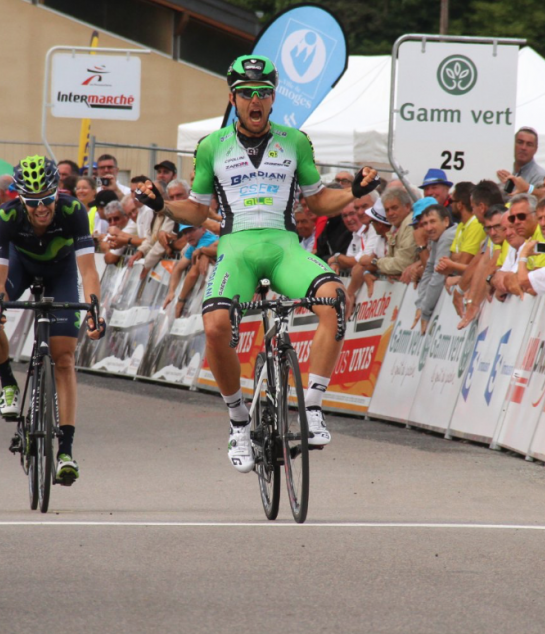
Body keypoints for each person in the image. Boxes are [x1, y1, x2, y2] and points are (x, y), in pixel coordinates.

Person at [134, 54, 379, 472]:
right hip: (237, 251)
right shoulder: (211, 146)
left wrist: (354, 190)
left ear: (272, 98)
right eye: (247, 93)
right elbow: (197, 210)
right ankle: (237, 421)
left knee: (335, 300)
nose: (256, 100)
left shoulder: (295, 140)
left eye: (264, 93)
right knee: (214, 325)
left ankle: (313, 407)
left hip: (285, 248)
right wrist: (165, 206)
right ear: (233, 97)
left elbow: (318, 201)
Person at [0, 156, 104, 485]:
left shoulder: (73, 211)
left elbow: (88, 271)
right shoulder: (6, 217)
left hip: (61, 271)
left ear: (56, 192)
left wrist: (95, 310)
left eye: (48, 198)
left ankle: (65, 451)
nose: (42, 208)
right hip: (20, 267)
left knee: (63, 358)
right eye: (33, 202)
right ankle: (7, 384)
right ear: (20, 197)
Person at [496, 127, 545, 194]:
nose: (523, 148)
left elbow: (537, 199)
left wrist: (511, 185)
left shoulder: (540, 176)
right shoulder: (501, 169)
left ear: (536, 149)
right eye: (520, 142)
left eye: (529, 144)